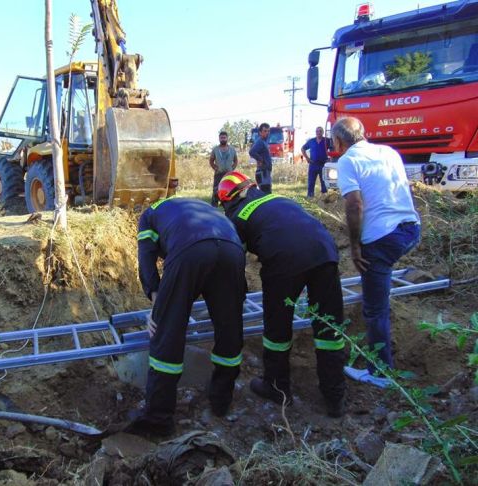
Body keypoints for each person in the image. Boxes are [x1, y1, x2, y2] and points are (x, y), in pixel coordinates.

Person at [217, 171, 347, 417]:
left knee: (277, 328)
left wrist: (234, 294)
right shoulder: (279, 199)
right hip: (325, 252)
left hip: (284, 260)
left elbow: (235, 263)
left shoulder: (237, 215)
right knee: (329, 327)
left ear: (230, 199)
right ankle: (335, 396)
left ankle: (277, 388)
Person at [126, 197, 247, 437]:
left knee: (167, 333)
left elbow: (147, 257)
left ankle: (158, 419)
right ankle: (221, 401)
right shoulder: (201, 208)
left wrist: (157, 303)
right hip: (232, 251)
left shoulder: (148, 216)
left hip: (190, 250)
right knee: (229, 328)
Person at [331, 117, 421, 388]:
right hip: (409, 229)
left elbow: (354, 204)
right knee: (379, 289)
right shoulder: (388, 151)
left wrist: (355, 245)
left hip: (382, 239)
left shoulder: (347, 161)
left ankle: (380, 373)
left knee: (374, 309)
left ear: (338, 141)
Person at [209, 131, 239, 206]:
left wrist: (232, 168)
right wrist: (214, 167)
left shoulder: (232, 149)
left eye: (224, 138)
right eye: (221, 138)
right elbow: (211, 160)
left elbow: (235, 160)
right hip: (218, 173)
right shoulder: (215, 149)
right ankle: (213, 207)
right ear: (219, 139)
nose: (223, 139)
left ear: (227, 138)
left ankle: (229, 206)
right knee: (216, 191)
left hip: (229, 174)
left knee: (229, 190)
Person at [301, 126, 332, 197]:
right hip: (313, 164)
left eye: (320, 131)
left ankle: (324, 198)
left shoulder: (327, 140)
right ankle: (310, 196)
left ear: (323, 132)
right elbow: (303, 148)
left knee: (324, 182)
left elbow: (333, 149)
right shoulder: (311, 141)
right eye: (317, 131)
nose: (318, 132)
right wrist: (307, 158)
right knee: (311, 182)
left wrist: (330, 158)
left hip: (323, 165)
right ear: (315, 132)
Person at [249, 123, 272, 193]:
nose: (267, 133)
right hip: (263, 172)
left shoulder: (265, 142)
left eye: (268, 131)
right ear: (260, 132)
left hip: (266, 172)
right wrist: (260, 159)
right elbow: (251, 152)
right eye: (265, 131)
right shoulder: (260, 142)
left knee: (267, 193)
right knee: (266, 194)